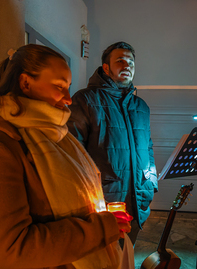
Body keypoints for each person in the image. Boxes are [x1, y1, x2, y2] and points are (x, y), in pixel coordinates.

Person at [0, 44, 133, 269]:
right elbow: (12, 247)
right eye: (59, 86)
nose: (69, 98)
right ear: (25, 83)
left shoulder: (60, 137)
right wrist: (101, 229)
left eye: (69, 87)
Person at [67, 42, 158, 245]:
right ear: (106, 67)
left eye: (131, 62)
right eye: (120, 61)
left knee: (126, 261)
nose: (127, 66)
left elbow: (148, 149)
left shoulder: (141, 107)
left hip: (138, 201)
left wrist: (151, 184)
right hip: (104, 201)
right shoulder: (85, 100)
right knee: (106, 267)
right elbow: (73, 152)